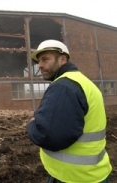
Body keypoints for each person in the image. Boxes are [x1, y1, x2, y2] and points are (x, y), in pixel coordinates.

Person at [26, 40, 112, 183]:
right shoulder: (84, 82)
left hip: (73, 177)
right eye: (39, 61)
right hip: (93, 173)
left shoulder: (64, 86)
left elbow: (49, 135)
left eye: (45, 59)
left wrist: (31, 125)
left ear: (63, 59)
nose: (39, 65)